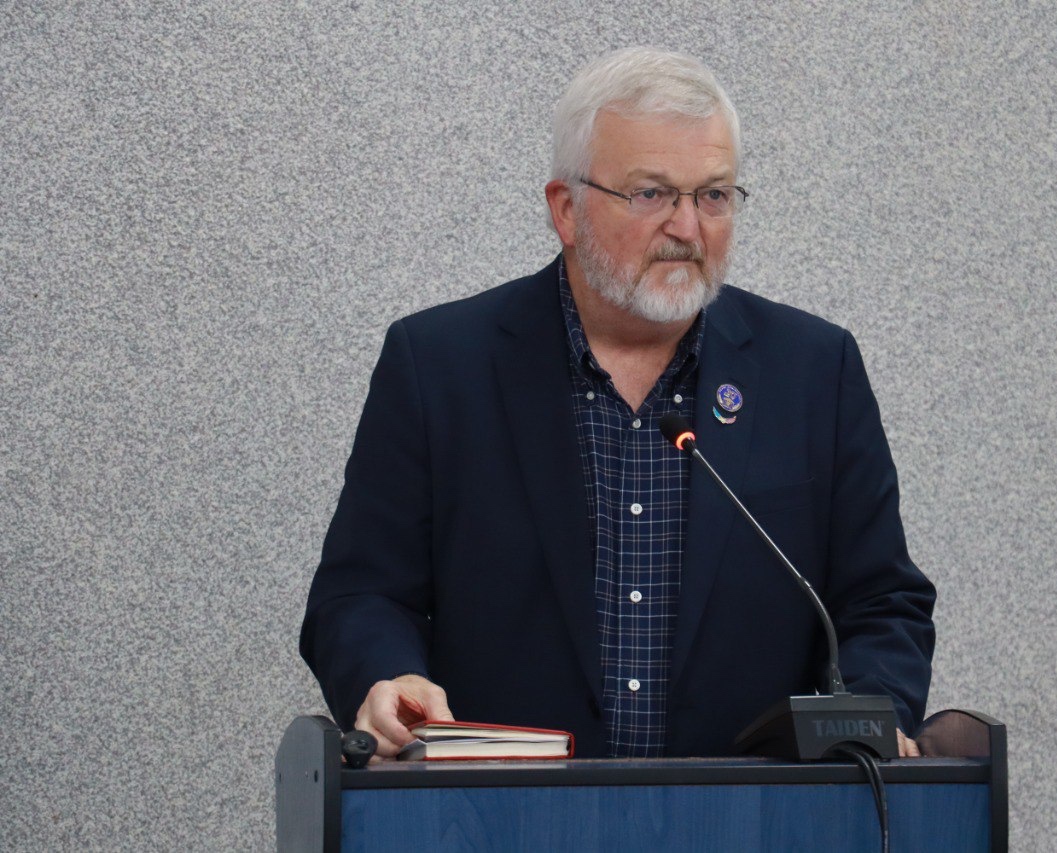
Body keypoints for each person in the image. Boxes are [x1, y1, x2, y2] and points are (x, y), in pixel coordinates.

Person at [300, 47, 935, 760]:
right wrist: (388, 677)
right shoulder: (441, 367)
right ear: (566, 210)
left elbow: (881, 602)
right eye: (652, 194)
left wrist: (870, 720)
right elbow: (360, 594)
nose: (688, 228)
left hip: (752, 812)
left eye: (713, 195)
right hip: (499, 809)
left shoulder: (814, 371)